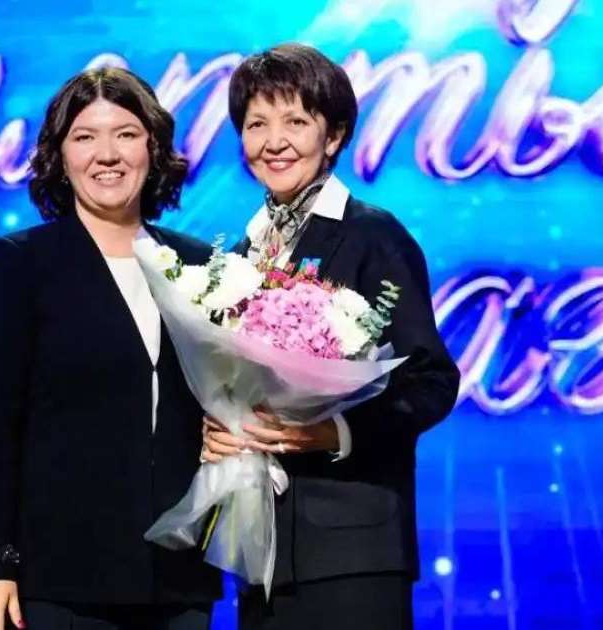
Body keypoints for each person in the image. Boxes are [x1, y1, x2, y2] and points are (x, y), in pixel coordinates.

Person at [202, 43, 461, 630]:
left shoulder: (371, 236)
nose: (274, 141)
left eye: (296, 121)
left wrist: (332, 430)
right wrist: (218, 427)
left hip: (352, 547)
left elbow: (432, 381)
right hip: (262, 552)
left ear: (335, 135)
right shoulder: (239, 257)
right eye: (256, 124)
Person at [0, 67, 219, 630]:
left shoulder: (202, 266)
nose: (107, 154)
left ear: (153, 147)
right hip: (62, 580)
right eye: (85, 137)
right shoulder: (22, 263)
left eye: (125, 134)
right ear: (60, 155)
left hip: (178, 581)